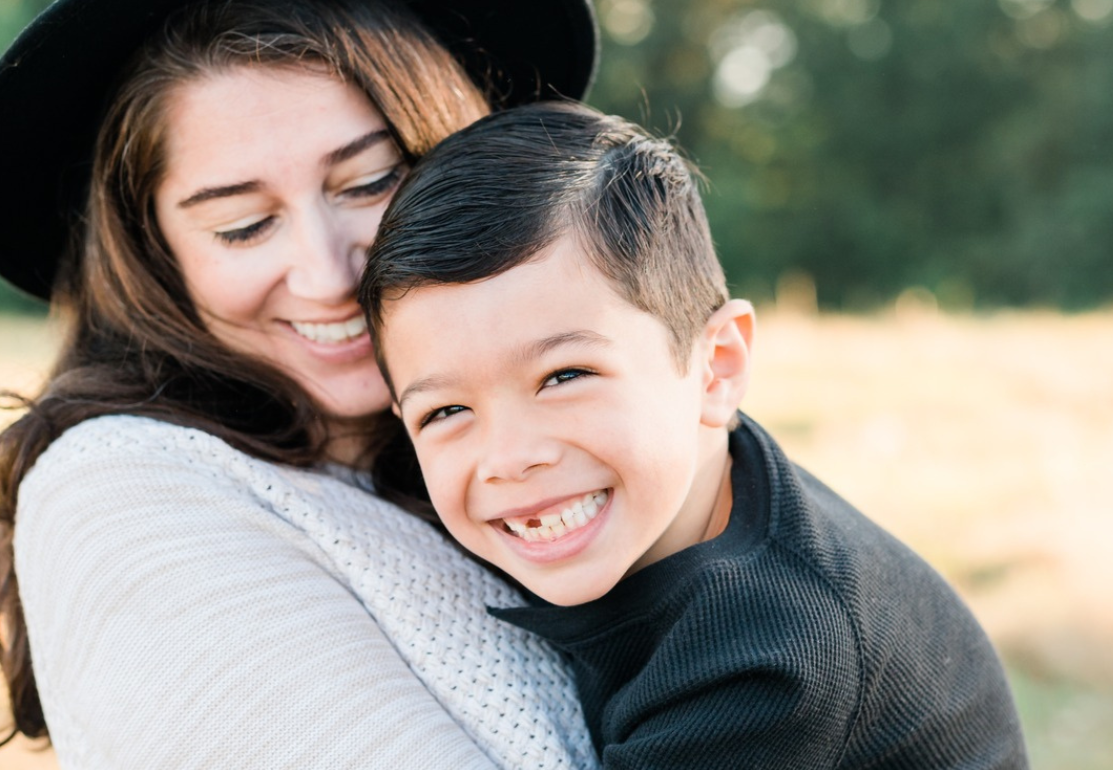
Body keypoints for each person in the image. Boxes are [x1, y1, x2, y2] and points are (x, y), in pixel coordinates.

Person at [0, 0, 602, 768]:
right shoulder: (128, 491)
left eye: (372, 182)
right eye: (244, 226)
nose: (329, 273)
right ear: (155, 252)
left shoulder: (549, 420)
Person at [359, 102, 1030, 769]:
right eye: (444, 412)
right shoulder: (691, 478)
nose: (508, 457)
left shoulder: (761, 662)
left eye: (563, 375)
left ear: (716, 368)